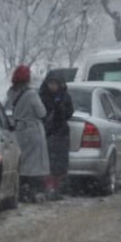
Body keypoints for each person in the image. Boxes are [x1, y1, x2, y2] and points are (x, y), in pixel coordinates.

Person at [5, 65, 50, 202]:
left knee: (22, 160)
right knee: (35, 163)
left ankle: (20, 188)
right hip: (32, 131)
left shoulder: (11, 93)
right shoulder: (32, 94)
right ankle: (33, 191)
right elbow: (41, 113)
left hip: (18, 131)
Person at [39, 72, 74, 200]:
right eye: (50, 83)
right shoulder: (42, 96)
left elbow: (69, 113)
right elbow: (40, 113)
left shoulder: (65, 97)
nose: (52, 86)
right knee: (48, 163)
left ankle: (56, 188)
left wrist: (60, 108)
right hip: (47, 133)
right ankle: (48, 187)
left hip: (60, 133)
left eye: (54, 84)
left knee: (59, 165)